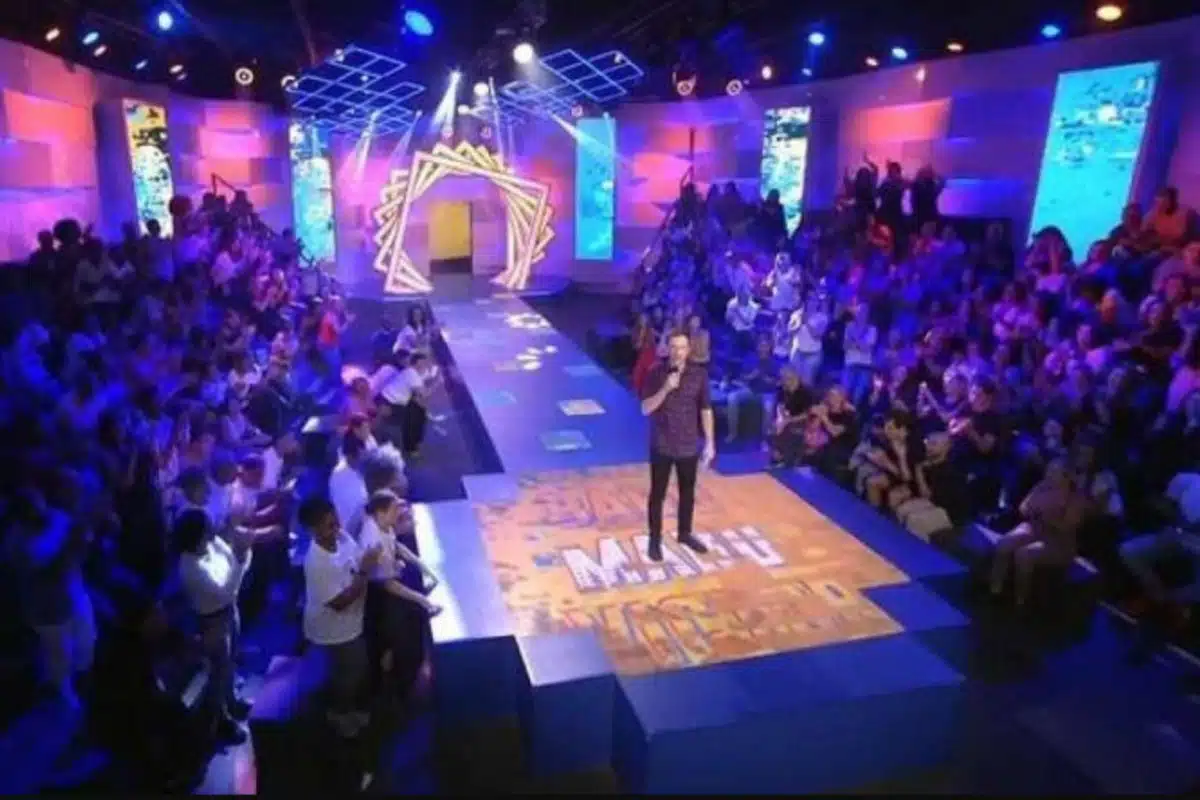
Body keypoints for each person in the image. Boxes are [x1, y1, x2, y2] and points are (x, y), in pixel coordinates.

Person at [300, 496, 382, 738]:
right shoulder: (316, 563)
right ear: (313, 529)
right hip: (335, 630)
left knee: (356, 668)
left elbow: (356, 559)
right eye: (329, 526)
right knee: (349, 672)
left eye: (336, 521)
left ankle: (349, 708)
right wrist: (365, 570)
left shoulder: (341, 537)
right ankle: (339, 714)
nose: (336, 528)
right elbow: (340, 603)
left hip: (353, 621)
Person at [175, 509, 251, 745]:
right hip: (212, 622)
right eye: (207, 531)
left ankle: (232, 701)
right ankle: (221, 722)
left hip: (229, 610)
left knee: (230, 663)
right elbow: (226, 590)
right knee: (218, 674)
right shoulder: (190, 569)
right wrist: (240, 558)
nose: (213, 534)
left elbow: (235, 572)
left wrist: (241, 557)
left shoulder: (213, 543)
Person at [639, 330, 716, 563]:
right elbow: (645, 408)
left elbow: (705, 410)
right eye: (673, 347)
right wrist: (665, 389)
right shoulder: (655, 373)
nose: (677, 352)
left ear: (688, 350)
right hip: (662, 444)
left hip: (688, 444)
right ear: (668, 348)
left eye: (682, 347)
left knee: (687, 493)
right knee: (657, 495)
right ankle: (654, 540)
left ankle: (685, 533)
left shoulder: (699, 375)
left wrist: (710, 442)